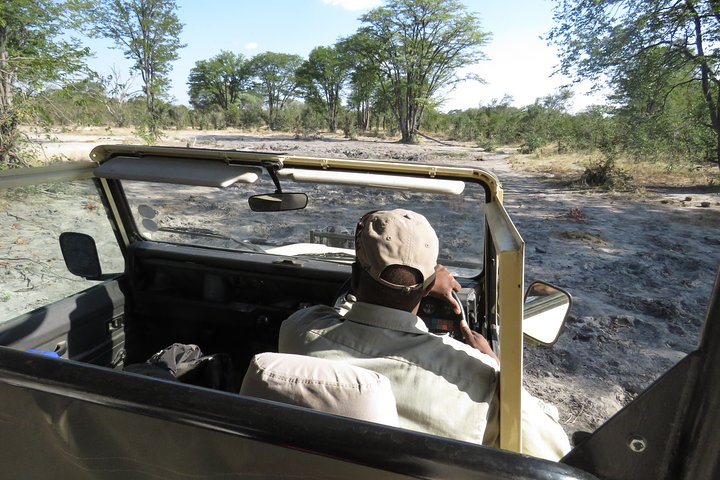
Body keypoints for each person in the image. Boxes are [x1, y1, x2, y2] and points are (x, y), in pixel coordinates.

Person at [279, 209, 570, 460]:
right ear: (429, 285)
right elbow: (554, 450)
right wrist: (495, 365)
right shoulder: (477, 381)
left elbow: (339, 308)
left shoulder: (299, 330)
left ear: (355, 276)